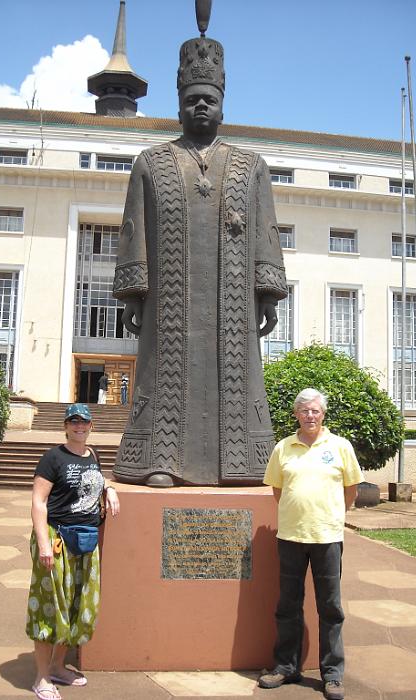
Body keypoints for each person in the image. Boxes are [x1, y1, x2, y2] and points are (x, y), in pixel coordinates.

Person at [112, 5, 287, 487]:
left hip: (232, 306)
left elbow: (266, 231)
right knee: (163, 374)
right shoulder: (151, 163)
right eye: (193, 99)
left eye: (209, 98)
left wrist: (267, 292)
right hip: (170, 306)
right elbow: (133, 231)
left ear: (223, 103)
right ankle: (159, 462)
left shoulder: (251, 166)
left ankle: (242, 464)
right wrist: (133, 295)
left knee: (239, 375)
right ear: (179, 104)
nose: (201, 107)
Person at [259, 388, 363, 700]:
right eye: (304, 411)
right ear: (296, 414)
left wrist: (329, 516)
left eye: (315, 411)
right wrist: (299, 512)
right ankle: (286, 666)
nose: (310, 416)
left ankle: (332, 674)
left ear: (323, 414)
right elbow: (278, 490)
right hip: (291, 536)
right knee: (288, 604)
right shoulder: (283, 448)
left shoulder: (340, 447)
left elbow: (351, 490)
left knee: (330, 606)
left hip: (327, 537)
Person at [26, 403, 120, 700]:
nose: (80, 427)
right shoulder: (53, 458)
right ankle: (41, 678)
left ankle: (57, 666)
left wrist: (110, 488)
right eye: (74, 422)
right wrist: (43, 544)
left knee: (77, 605)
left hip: (86, 541)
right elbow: (39, 502)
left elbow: (94, 481)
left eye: (84, 422)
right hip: (57, 539)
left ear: (91, 426)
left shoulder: (93, 455)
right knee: (50, 607)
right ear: (66, 426)